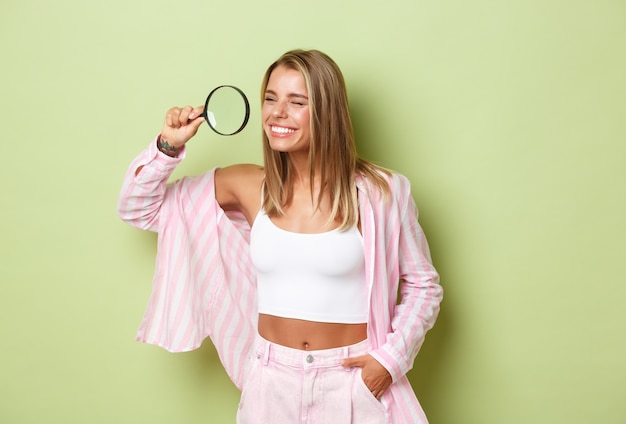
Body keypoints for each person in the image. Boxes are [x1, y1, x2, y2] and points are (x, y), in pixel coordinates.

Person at [117, 49, 442, 424]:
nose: (277, 113)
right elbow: (138, 209)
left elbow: (423, 285)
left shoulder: (381, 193)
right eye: (270, 99)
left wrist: (388, 362)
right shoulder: (247, 185)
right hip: (270, 382)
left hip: (353, 380)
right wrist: (168, 146)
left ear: (326, 112)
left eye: (296, 102)